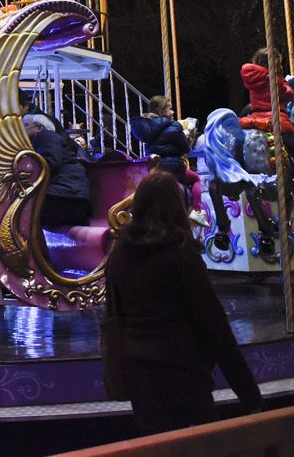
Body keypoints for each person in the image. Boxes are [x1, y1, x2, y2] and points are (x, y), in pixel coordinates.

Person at [103, 170, 263, 432]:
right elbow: (213, 324)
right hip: (182, 367)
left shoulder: (120, 253)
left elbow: (114, 313)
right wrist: (249, 394)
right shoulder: (180, 253)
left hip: (139, 369)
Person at [24, 109, 92, 227]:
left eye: (25, 125)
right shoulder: (41, 140)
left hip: (67, 199)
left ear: (39, 128)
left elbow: (49, 163)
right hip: (68, 198)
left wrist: (24, 174)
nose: (20, 129)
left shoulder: (46, 136)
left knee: (20, 210)